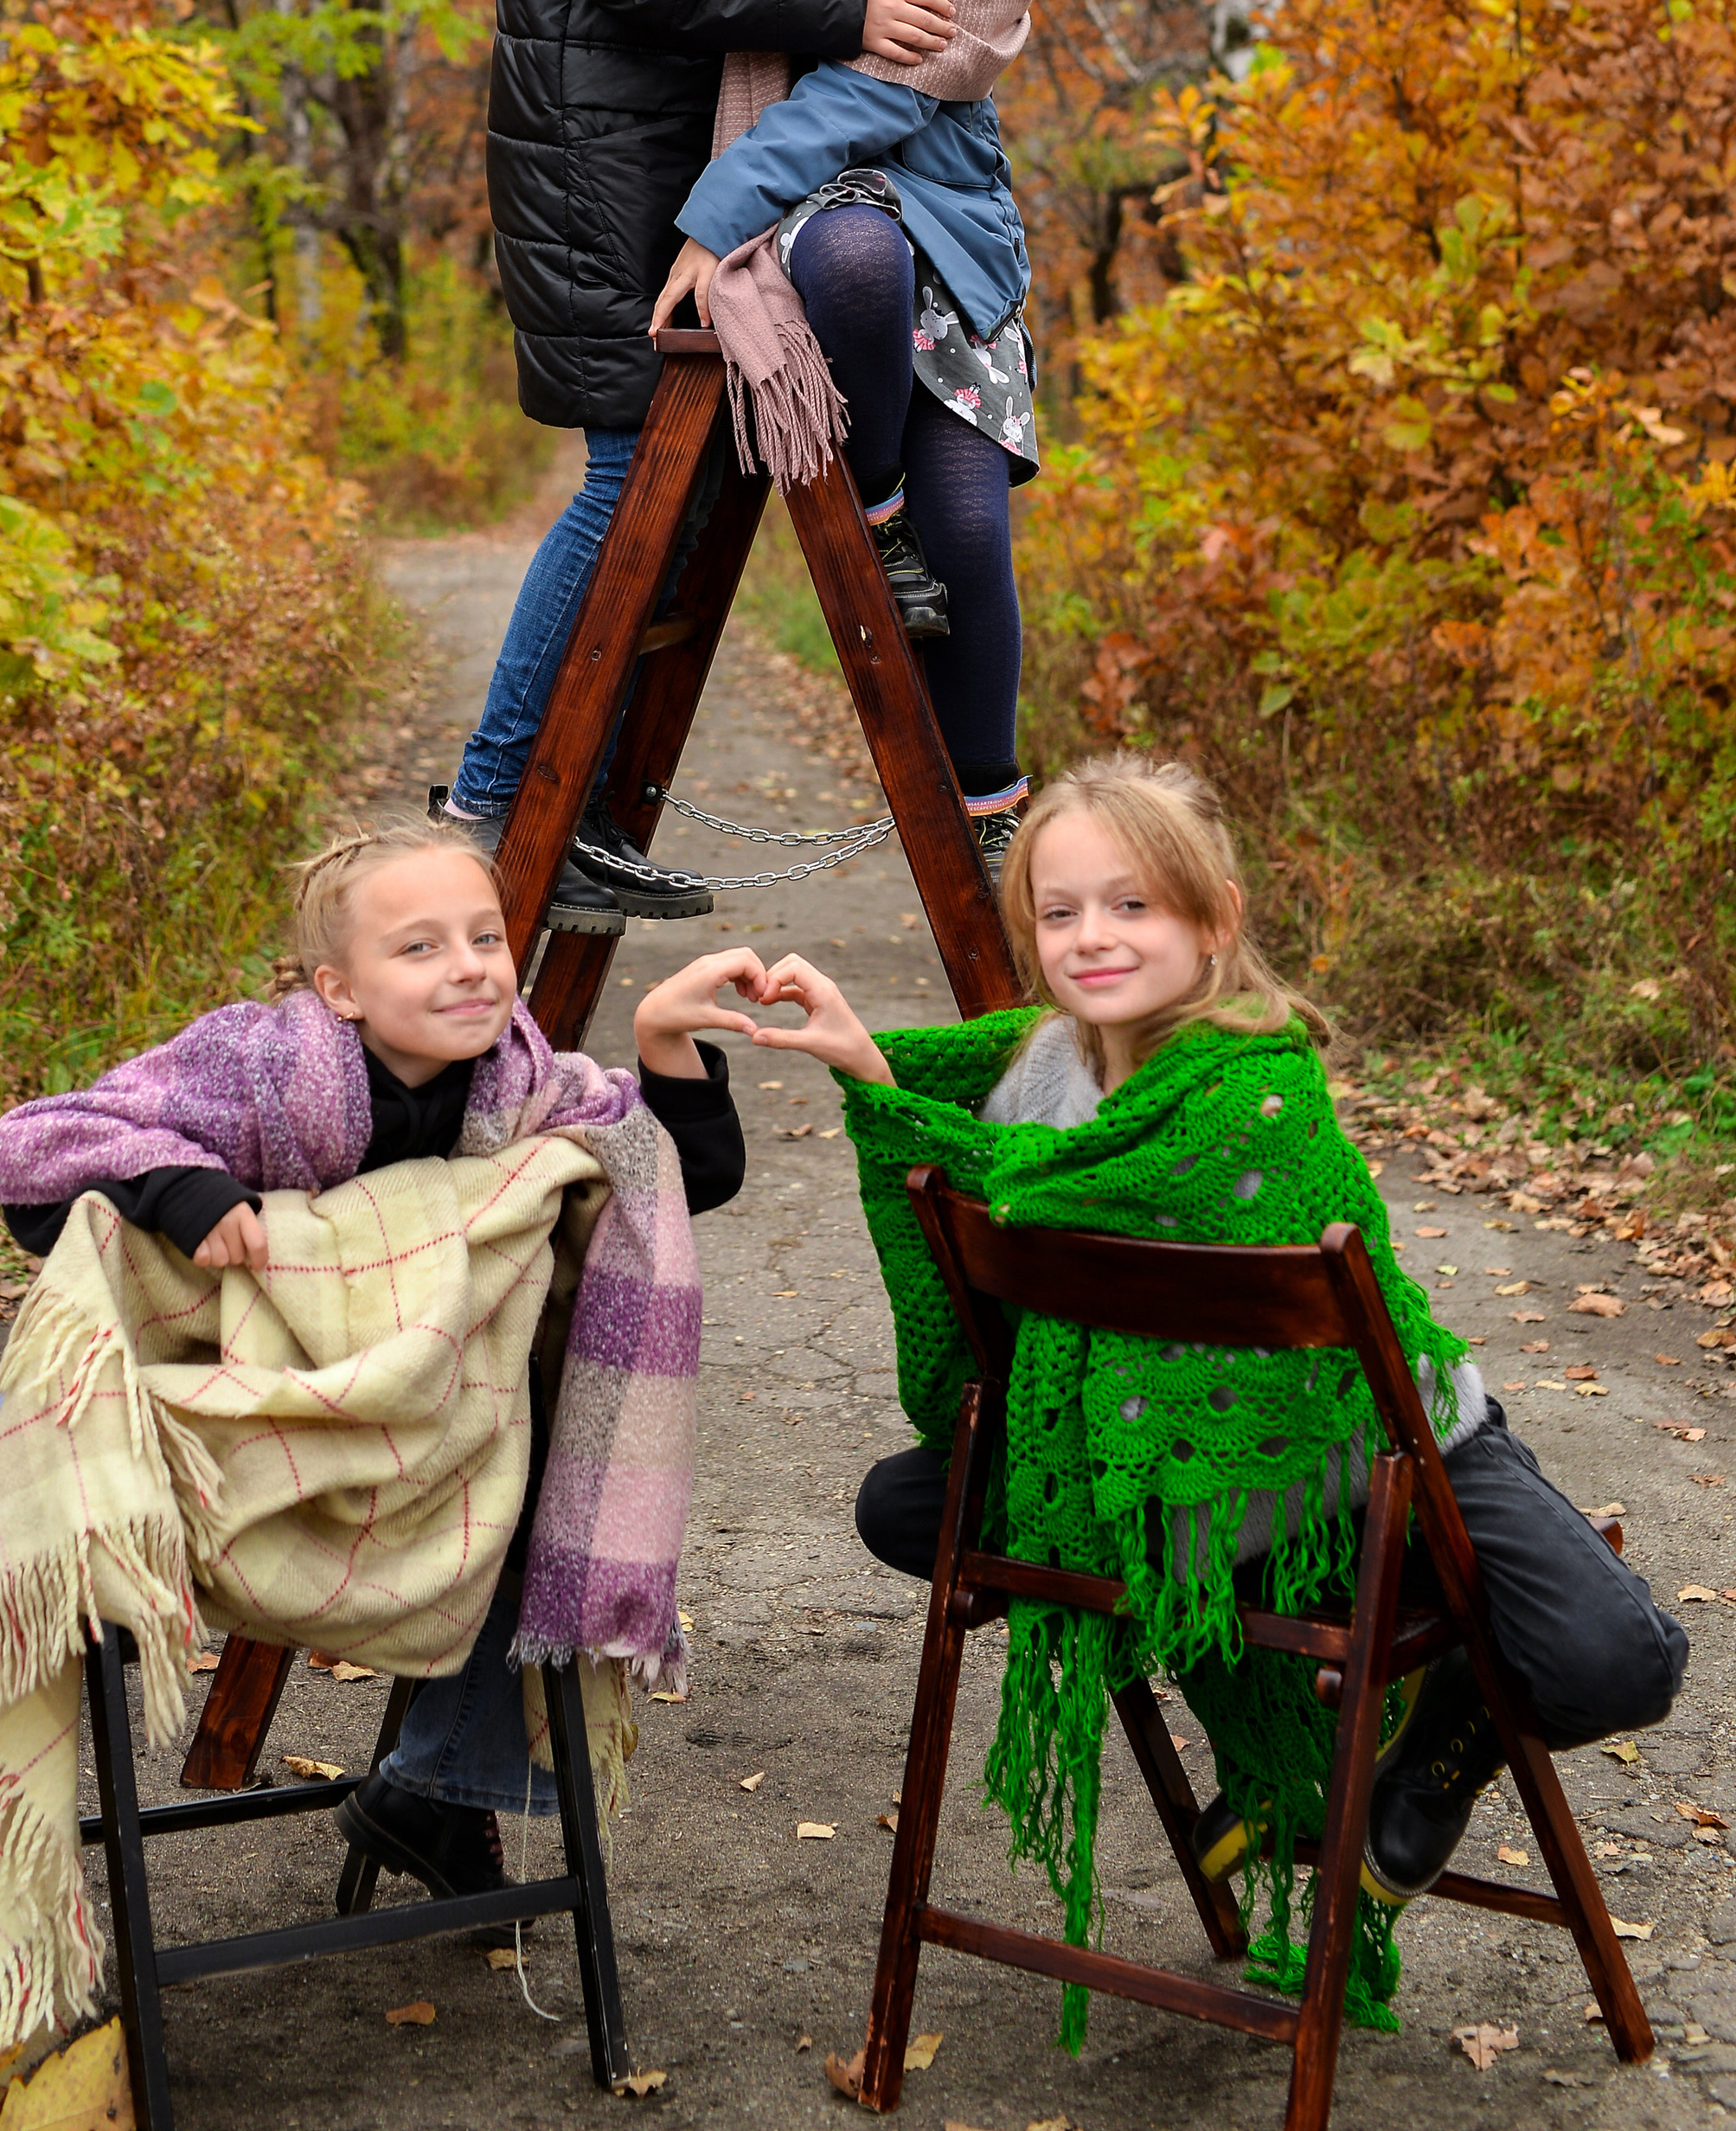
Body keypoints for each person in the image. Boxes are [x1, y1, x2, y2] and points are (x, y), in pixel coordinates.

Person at [0, 825, 759, 2039]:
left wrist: (664, 1044)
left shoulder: (529, 1091)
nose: (469, 966)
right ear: (338, 989)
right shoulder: (251, 1064)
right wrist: (177, 1186)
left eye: (484, 937)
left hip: (390, 1437)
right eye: (420, 947)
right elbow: (35, 1151)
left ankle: (437, 1789)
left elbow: (675, 1184)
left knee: (561, 1476)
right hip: (157, 1403)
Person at [700, 751, 1689, 1916]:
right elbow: (988, 1225)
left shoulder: (1262, 1095)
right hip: (1170, 1475)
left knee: (1619, 1662)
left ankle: (1430, 1740)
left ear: (1215, 918)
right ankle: (1270, 1702)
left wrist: (930, 1134)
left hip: (1373, 1456)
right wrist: (868, 1068)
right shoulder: (1036, 1080)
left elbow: (1026, 1186)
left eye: (1134, 904)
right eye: (1059, 912)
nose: (1093, 936)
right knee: (907, 1505)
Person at [440, 0, 963, 934]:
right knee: (626, 479)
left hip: (689, 151)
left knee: (678, 495)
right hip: (596, 155)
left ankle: (586, 804)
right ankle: (498, 803)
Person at [648, 0, 1068, 883]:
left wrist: (714, 217)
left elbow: (883, 79)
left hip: (948, 215)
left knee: (974, 535)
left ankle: (988, 813)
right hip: (827, 206)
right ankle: (871, 511)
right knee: (848, 251)